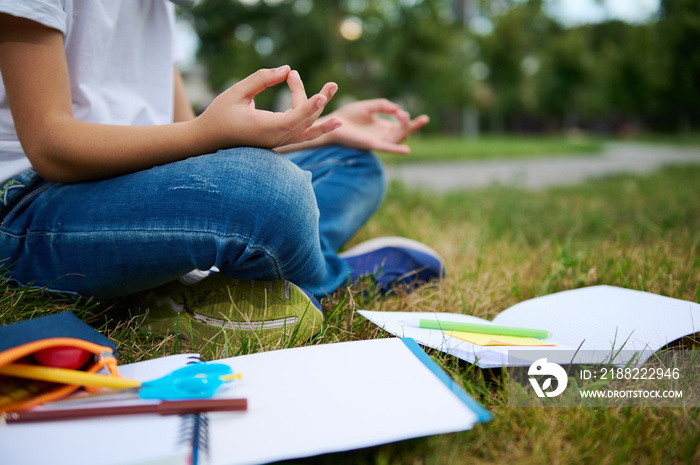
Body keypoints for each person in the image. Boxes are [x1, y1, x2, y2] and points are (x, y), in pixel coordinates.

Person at [0, 0, 444, 349]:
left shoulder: (161, 8)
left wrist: (325, 131)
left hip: (135, 180)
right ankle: (329, 281)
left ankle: (219, 278)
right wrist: (205, 133)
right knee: (269, 191)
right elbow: (49, 146)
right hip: (33, 206)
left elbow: (184, 145)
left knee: (353, 162)